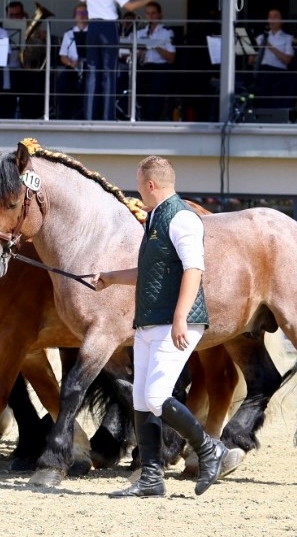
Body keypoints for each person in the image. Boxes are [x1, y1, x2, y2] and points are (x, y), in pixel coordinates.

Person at [92, 156, 232, 498]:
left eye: (139, 184)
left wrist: (182, 317)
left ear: (150, 184)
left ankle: (210, 450)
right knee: (142, 399)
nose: (138, 189)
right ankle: (151, 479)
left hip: (175, 321)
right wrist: (111, 279)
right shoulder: (154, 219)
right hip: (149, 322)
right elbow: (152, 274)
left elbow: (194, 269)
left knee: (156, 396)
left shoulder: (183, 217)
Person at [78, 0, 164, 121]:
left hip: (93, 28)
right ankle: (107, 117)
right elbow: (130, 7)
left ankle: (89, 115)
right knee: (109, 72)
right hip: (108, 28)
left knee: (92, 72)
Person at [133, 1, 177, 120]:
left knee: (156, 88)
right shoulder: (140, 32)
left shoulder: (166, 32)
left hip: (161, 67)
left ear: (159, 15)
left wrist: (155, 45)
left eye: (153, 13)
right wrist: (138, 52)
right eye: (148, 14)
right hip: (144, 67)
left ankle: (153, 117)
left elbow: (171, 58)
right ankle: (139, 113)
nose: (150, 16)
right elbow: (127, 50)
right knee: (132, 80)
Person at [56, 5, 90, 119]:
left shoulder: (93, 33)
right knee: (63, 81)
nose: (82, 16)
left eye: (85, 13)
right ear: (74, 17)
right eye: (79, 13)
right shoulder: (68, 34)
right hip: (73, 67)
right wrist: (71, 63)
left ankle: (85, 114)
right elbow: (63, 56)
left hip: (89, 67)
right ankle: (64, 114)